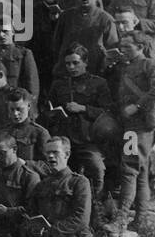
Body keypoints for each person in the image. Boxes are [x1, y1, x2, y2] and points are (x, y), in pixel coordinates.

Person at [45, 47, 114, 197]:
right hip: (63, 139)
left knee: (97, 169)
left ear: (86, 62)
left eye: (75, 63)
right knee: (62, 176)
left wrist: (83, 108)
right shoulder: (59, 85)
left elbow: (108, 111)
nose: (71, 67)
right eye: (68, 64)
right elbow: (48, 107)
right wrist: (53, 114)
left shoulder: (98, 83)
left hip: (87, 139)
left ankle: (95, 206)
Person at [113, 31, 155, 220]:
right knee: (141, 171)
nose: (123, 50)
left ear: (140, 47)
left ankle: (121, 219)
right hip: (133, 124)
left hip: (140, 124)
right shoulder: (128, 67)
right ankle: (141, 221)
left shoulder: (149, 65)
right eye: (122, 46)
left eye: (127, 46)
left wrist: (136, 106)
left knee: (129, 168)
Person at [24, 137, 93, 237]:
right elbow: (32, 213)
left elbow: (81, 218)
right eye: (47, 153)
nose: (50, 156)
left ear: (67, 155)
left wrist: (52, 231)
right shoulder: (41, 186)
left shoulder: (79, 182)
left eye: (55, 152)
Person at [51, 0, 118, 76]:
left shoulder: (106, 20)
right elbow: (56, 45)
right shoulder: (66, 16)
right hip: (66, 72)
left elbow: (111, 51)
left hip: (93, 73)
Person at [2, 89, 51, 164]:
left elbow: (48, 165)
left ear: (28, 106)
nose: (15, 113)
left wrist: (27, 164)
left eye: (19, 109)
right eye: (12, 109)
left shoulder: (40, 133)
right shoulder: (4, 131)